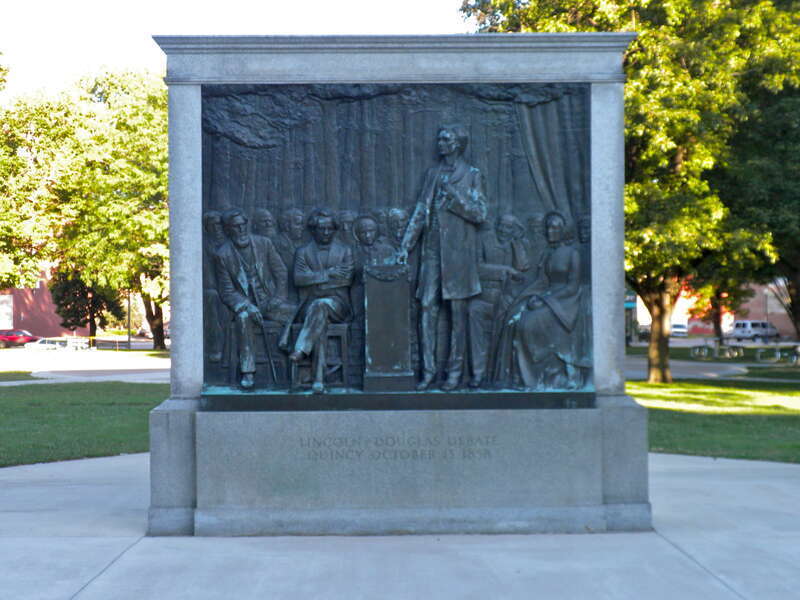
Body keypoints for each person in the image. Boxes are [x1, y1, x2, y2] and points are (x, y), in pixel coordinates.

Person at [397, 124, 488, 391]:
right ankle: (428, 372)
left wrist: (455, 198)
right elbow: (421, 210)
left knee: (457, 314)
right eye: (439, 139)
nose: (440, 143)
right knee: (427, 307)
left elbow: (480, 213)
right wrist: (405, 246)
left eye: (445, 139)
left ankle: (454, 374)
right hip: (432, 252)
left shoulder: (472, 174)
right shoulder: (433, 173)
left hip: (458, 256)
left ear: (457, 144)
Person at [490, 211, 582, 390]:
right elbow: (542, 280)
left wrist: (544, 300)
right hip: (546, 296)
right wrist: (527, 297)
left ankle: (539, 376)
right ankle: (518, 377)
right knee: (513, 318)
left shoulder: (573, 254)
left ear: (564, 230)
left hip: (565, 303)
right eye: (548, 227)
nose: (550, 231)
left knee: (528, 323)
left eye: (555, 227)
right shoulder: (548, 253)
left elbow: (572, 287)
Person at [214, 209, 295, 389]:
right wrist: (246, 306)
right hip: (246, 306)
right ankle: (248, 372)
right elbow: (227, 291)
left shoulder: (264, 243)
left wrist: (278, 297)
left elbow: (281, 272)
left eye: (243, 225)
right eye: (236, 226)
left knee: (298, 315)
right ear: (228, 229)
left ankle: (297, 367)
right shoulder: (223, 255)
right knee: (243, 318)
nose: (241, 229)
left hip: (270, 301)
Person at [280, 208, 355, 393]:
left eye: (330, 228)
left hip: (339, 305)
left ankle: (301, 349)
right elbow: (299, 279)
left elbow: (346, 279)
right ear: (313, 229)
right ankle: (318, 381)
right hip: (310, 307)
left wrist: (315, 281)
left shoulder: (345, 251)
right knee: (319, 313)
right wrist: (329, 274)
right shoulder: (303, 252)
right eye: (322, 228)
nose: (326, 232)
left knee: (320, 306)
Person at [467, 214, 529, 387]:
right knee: (473, 311)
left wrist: (517, 241)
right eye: (501, 225)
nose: (503, 230)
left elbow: (523, 267)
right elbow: (477, 267)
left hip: (507, 298)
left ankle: (503, 374)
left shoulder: (514, 244)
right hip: (484, 295)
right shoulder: (484, 239)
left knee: (513, 320)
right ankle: (478, 373)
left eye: (508, 227)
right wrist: (506, 270)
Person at [202, 211, 227, 363]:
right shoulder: (204, 245)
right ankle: (215, 347)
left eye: (219, 224)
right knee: (211, 297)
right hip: (214, 289)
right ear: (206, 228)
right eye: (212, 225)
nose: (217, 228)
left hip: (232, 290)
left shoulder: (229, 243)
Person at [274, 208, 306, 301]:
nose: (302, 228)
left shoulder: (300, 245)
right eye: (298, 224)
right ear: (286, 226)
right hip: (282, 296)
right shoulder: (276, 244)